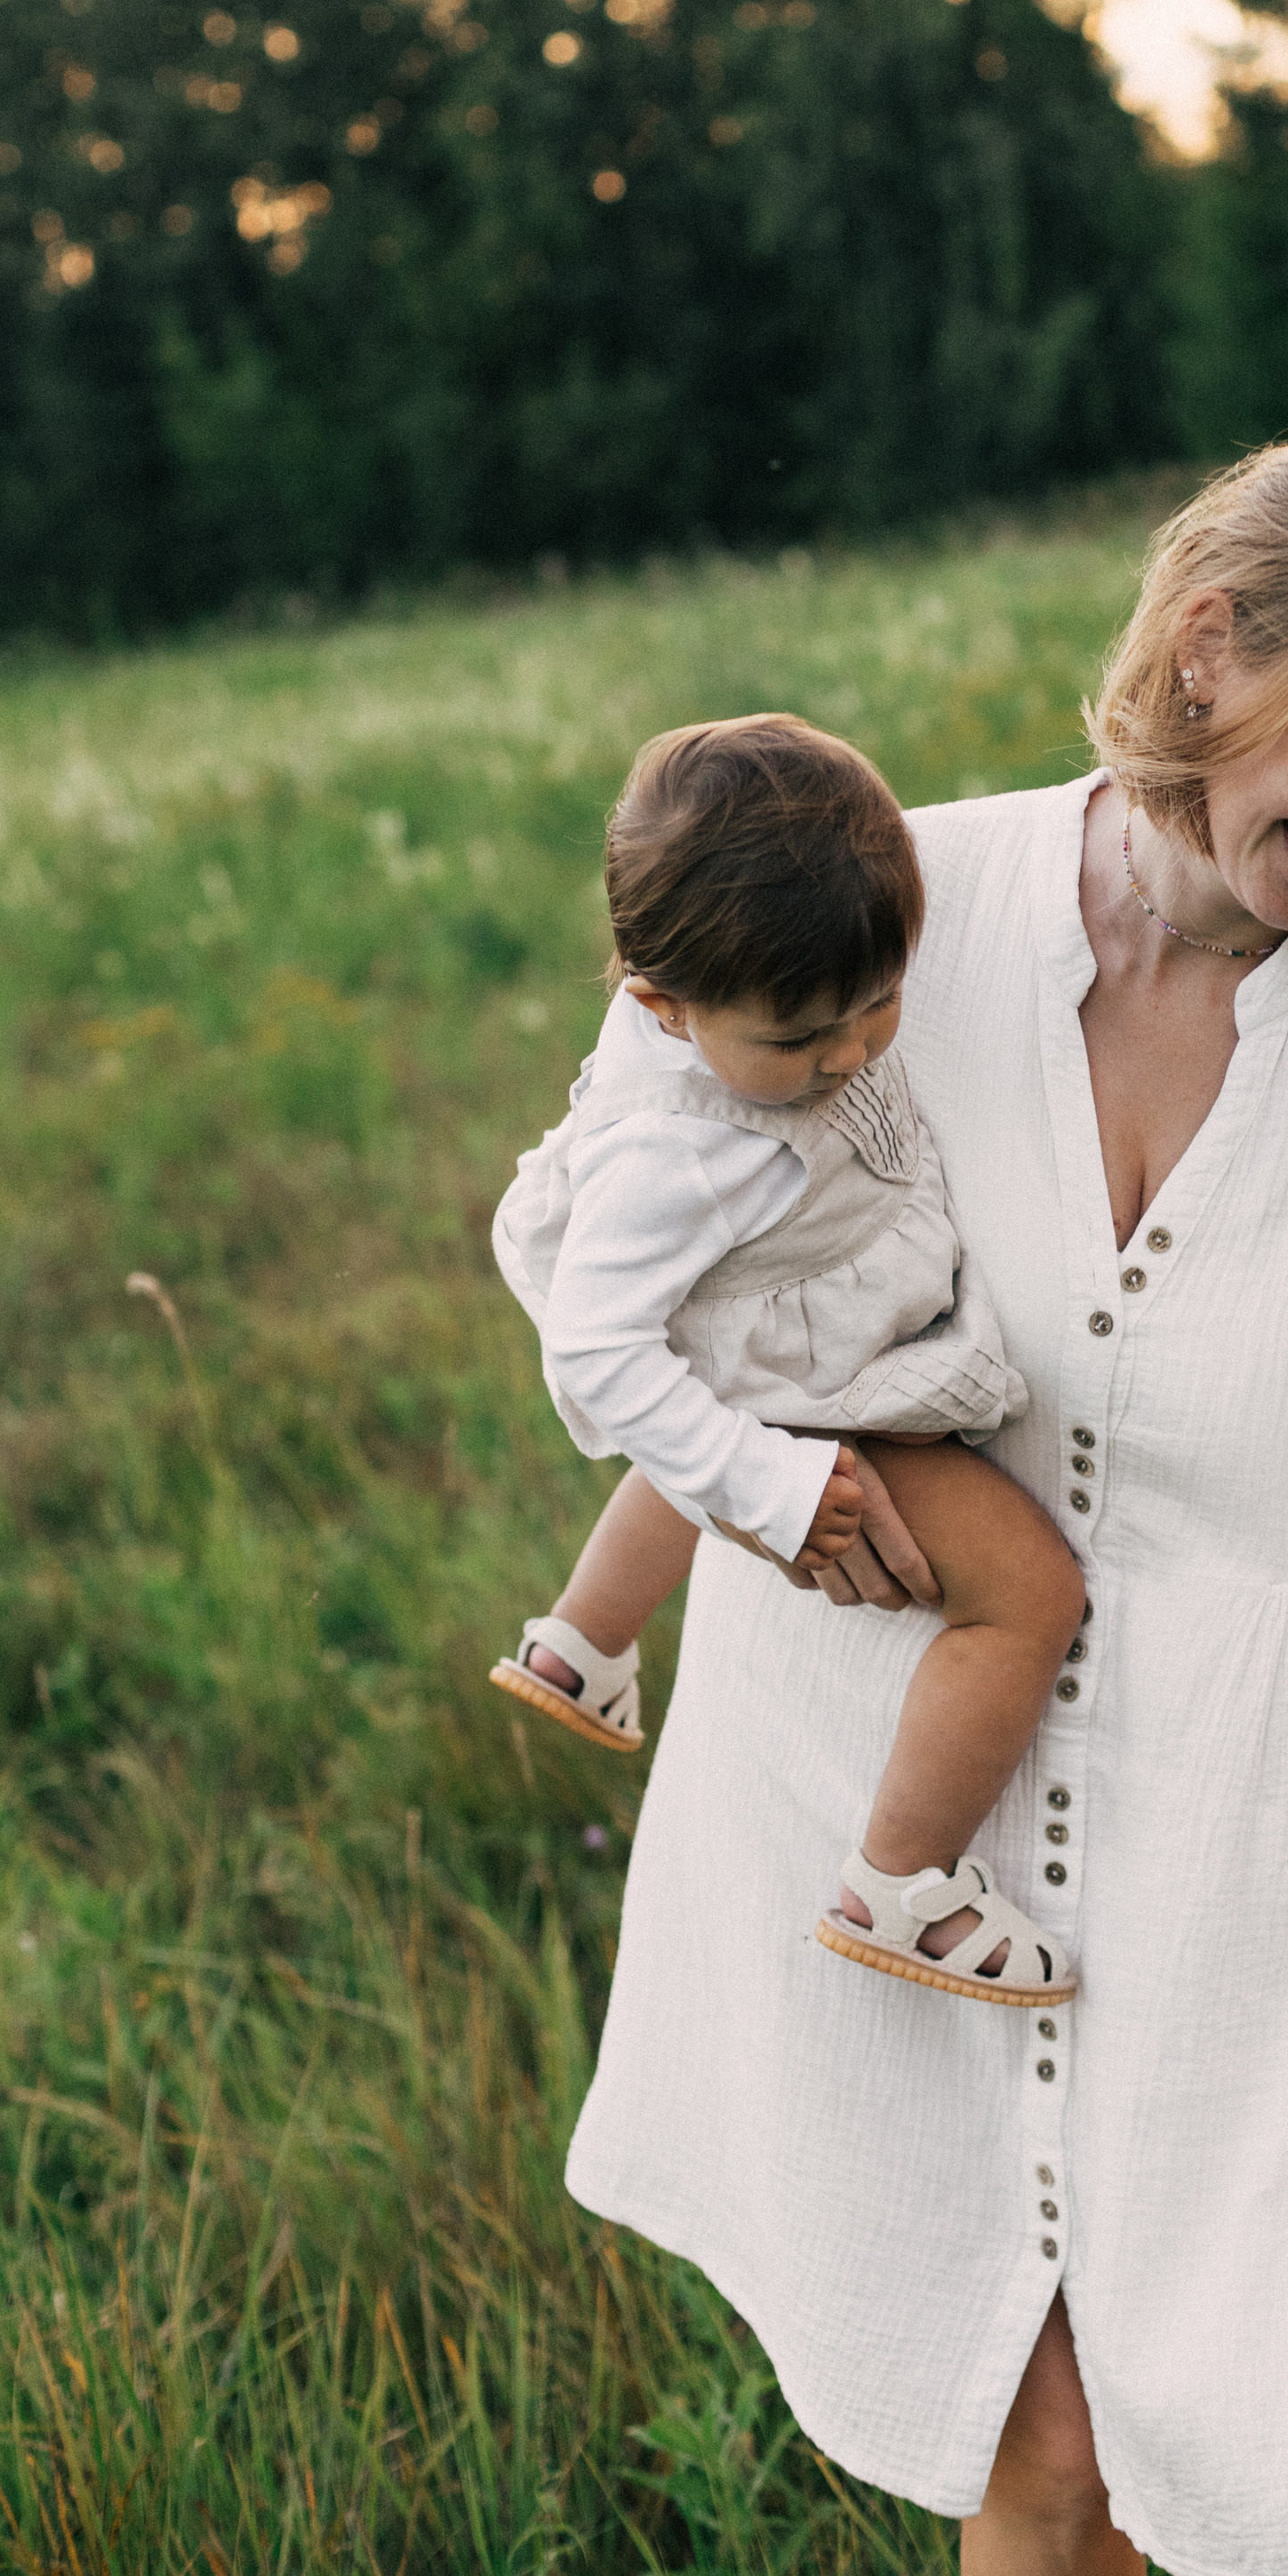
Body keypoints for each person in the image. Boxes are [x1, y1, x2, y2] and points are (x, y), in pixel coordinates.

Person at [564, 412, 1288, 2576]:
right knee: (1043, 2450)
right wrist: (740, 1498)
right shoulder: (889, 915)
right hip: (906, 1812)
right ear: (1208, 648)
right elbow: (615, 1240)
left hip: (1275, 1875)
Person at [491, 714, 1084, 1998]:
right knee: (1031, 1591)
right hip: (819, 1381)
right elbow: (597, 1351)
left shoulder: (728, 988)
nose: (850, 1054)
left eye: (878, 1005)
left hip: (771, 1338)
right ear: (660, 1003)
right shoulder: (676, 1151)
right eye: (800, 1039)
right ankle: (903, 1884)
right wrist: (775, 1485)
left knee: (713, 1400)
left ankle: (584, 1639)